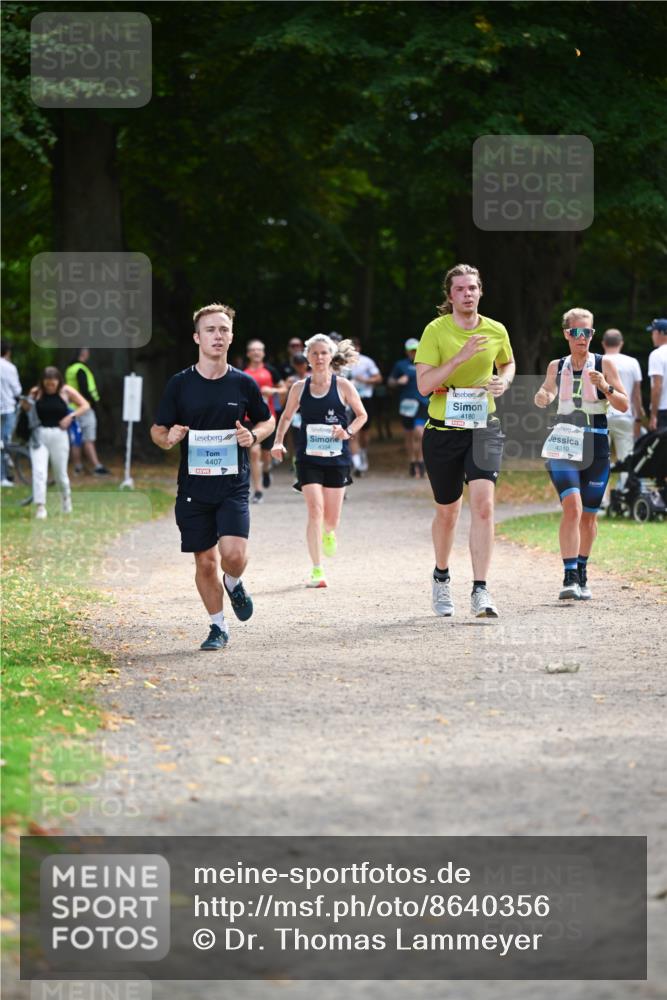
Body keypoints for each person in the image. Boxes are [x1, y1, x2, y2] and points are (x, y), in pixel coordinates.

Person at [150, 304, 274, 650]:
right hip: (193, 487)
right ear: (197, 337)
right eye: (210, 330)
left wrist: (254, 435)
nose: (217, 336)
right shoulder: (180, 384)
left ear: (231, 336)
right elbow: (157, 430)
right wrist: (168, 437)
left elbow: (267, 420)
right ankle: (218, 627)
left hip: (232, 484)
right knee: (205, 562)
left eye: (223, 329)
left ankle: (233, 582)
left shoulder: (243, 383)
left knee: (233, 555)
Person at [415, 263, 515, 618]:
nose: (467, 294)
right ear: (450, 295)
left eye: (472, 287)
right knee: (448, 512)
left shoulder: (496, 329)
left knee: (484, 505)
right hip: (443, 431)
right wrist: (460, 358)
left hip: (484, 426)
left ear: (480, 291)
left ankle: (481, 589)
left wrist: (503, 381)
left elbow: (507, 363)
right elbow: (424, 386)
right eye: (460, 289)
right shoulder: (435, 331)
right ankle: (441, 576)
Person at [535, 308, 628, 600]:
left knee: (588, 517)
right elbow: (547, 392)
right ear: (567, 334)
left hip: (596, 445)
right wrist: (542, 397)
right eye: (576, 332)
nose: (582, 337)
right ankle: (569, 575)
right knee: (572, 508)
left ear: (592, 334)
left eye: (587, 332)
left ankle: (582, 569)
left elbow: (623, 405)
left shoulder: (604, 364)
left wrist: (605, 386)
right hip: (564, 443)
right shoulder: (557, 366)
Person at [271, 334, 367, 589]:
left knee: (331, 519)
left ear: (331, 356)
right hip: (308, 458)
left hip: (337, 459)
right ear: (308, 358)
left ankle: (329, 532)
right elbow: (286, 417)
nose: (319, 357)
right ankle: (317, 569)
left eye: (324, 352)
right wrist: (278, 441)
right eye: (314, 353)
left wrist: (347, 432)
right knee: (315, 510)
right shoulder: (299, 387)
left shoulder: (343, 386)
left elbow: (362, 415)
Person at [21, 367, 90, 519]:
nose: (50, 387)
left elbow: (85, 405)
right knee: (39, 471)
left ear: (58, 382)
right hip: (39, 434)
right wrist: (29, 398)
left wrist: (71, 416)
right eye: (47, 384)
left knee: (60, 473)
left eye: (53, 384)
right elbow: (26, 409)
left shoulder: (66, 391)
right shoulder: (37, 392)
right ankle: (40, 506)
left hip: (59, 435)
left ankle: (66, 499)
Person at [601, 329, 643, 496]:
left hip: (601, 415)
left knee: (600, 459)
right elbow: (636, 395)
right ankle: (626, 495)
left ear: (603, 343)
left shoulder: (597, 361)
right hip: (625, 416)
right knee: (626, 458)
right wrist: (639, 418)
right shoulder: (632, 363)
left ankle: (599, 498)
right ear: (621, 343)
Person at [243, 339, 285, 502]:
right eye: (253, 350)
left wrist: (272, 391)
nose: (256, 352)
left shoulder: (271, 370)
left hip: (267, 419)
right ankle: (258, 491)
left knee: (267, 455)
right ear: (248, 353)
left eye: (259, 350)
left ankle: (266, 470)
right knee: (254, 453)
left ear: (263, 353)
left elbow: (284, 389)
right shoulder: (243, 372)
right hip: (248, 418)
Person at [388, 337, 430, 478]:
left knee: (420, 433)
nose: (414, 353)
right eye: (411, 351)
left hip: (423, 403)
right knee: (409, 434)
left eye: (416, 350)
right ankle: (412, 462)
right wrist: (398, 381)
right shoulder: (400, 365)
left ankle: (421, 461)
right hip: (407, 404)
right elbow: (390, 382)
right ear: (407, 351)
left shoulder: (425, 363)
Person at [64, 348, 110, 475]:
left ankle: (77, 467)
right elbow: (84, 389)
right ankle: (96, 466)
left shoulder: (70, 369)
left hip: (72, 408)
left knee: (76, 438)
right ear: (84, 354)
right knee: (88, 438)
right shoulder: (81, 369)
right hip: (84, 408)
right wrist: (91, 402)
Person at [348, 340, 382, 475]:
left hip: (365, 399)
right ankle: (357, 464)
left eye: (354, 347)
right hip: (348, 401)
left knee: (364, 433)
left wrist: (365, 380)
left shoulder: (367, 361)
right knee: (352, 432)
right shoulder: (341, 362)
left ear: (359, 347)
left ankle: (362, 453)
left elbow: (378, 378)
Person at [1, 341, 22, 487]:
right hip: (7, 408)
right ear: (7, 352)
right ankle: (3, 475)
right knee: (5, 443)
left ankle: (5, 474)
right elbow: (17, 390)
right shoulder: (9, 367)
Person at [647, 318, 667, 431]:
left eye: (653, 332)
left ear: (662, 333)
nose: (652, 336)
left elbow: (657, 387)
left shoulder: (657, 354)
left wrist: (653, 415)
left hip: (663, 410)